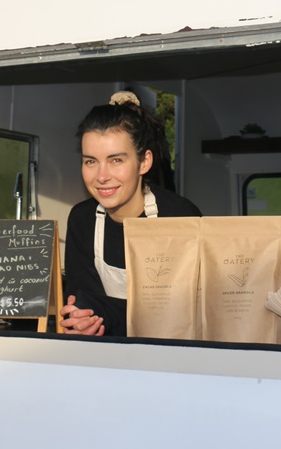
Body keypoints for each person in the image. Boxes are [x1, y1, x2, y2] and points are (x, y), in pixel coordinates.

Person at [60, 91, 201, 336]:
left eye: (116, 160)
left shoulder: (180, 217)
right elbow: (84, 302)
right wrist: (83, 320)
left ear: (144, 162)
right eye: (91, 161)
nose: (101, 177)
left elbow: (189, 311)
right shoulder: (82, 220)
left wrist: (105, 314)